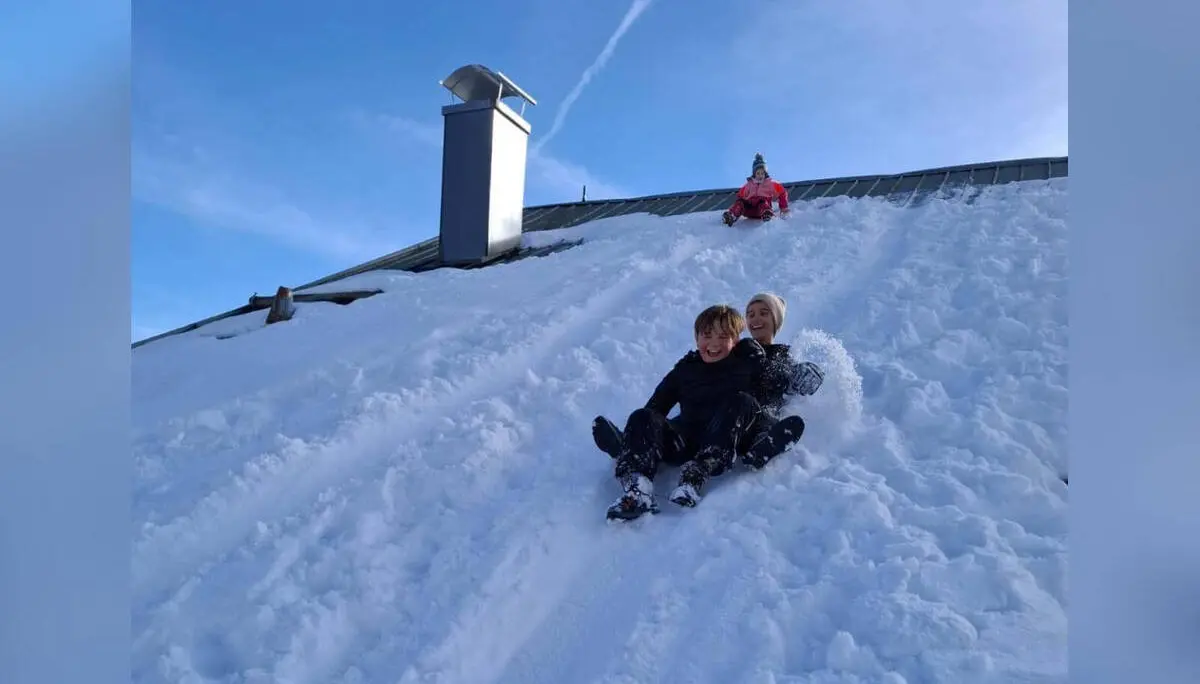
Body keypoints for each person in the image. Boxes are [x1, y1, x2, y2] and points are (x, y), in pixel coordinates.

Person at [591, 304, 804, 521]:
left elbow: (770, 393)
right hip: (684, 438)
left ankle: (695, 477)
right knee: (642, 416)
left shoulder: (746, 363)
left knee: (743, 401)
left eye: (723, 336)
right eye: (707, 335)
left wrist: (797, 377)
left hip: (726, 435)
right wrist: (636, 437)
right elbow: (655, 408)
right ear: (696, 338)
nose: (713, 343)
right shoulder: (686, 369)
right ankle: (638, 489)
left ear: (736, 340)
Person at [741, 292, 825, 465]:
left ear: (775, 320)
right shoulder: (739, 350)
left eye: (763, 313)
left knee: (767, 411)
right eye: (750, 315)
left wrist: (807, 376)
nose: (755, 319)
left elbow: (791, 377)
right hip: (735, 410)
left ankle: (763, 444)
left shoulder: (783, 354)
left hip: (762, 412)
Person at [722, 153, 790, 226]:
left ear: (765, 173)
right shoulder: (749, 184)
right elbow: (740, 195)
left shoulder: (770, 183)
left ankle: (767, 215)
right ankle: (732, 216)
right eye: (758, 173)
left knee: (762, 202)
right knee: (741, 202)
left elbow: (782, 192)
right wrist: (739, 205)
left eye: (762, 173)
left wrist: (783, 207)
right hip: (748, 210)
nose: (760, 175)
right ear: (754, 174)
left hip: (761, 211)